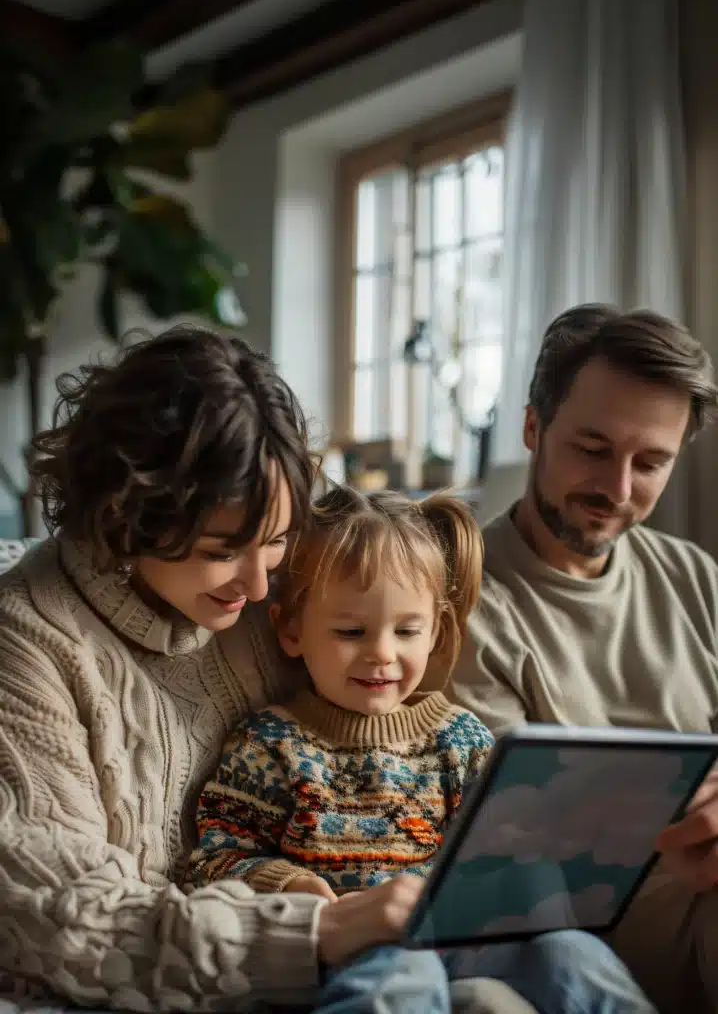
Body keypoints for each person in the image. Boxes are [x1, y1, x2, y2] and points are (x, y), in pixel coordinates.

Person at [0, 327, 510, 1014]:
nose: (261, 588)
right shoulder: (29, 641)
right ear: (125, 514)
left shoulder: (260, 593)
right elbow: (65, 917)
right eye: (223, 550)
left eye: (274, 543)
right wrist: (315, 930)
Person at [186, 484, 657, 1014]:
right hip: (354, 946)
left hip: (464, 941)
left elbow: (498, 859)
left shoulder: (462, 741)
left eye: (407, 630)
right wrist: (289, 882)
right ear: (292, 629)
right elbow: (213, 858)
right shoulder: (269, 744)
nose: (381, 655)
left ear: (435, 631)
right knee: (400, 977)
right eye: (351, 630)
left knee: (571, 954)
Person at [452, 304, 718, 1014]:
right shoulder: (457, 601)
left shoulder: (694, 579)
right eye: (593, 449)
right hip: (570, 948)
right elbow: (513, 845)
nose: (618, 490)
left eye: (651, 462)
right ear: (534, 428)